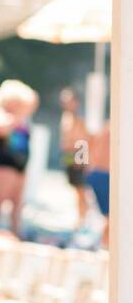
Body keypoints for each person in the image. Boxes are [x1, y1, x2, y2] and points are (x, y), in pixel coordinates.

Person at [0, 79, 38, 237]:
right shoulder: (0, 113)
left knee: (17, 204)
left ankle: (16, 233)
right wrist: (16, 116)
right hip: (5, 163)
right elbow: (0, 130)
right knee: (0, 200)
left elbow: (34, 101)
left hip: (20, 165)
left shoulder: (23, 116)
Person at [59, 88, 89, 225]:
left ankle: (83, 218)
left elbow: (84, 140)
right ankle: (80, 217)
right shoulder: (66, 116)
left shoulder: (80, 118)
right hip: (69, 156)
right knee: (75, 189)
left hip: (78, 156)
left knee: (81, 189)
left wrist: (81, 159)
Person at [85, 124, 110, 247]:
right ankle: (102, 244)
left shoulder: (105, 128)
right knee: (112, 217)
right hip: (104, 175)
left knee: (109, 217)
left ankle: (102, 244)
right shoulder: (113, 129)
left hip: (96, 173)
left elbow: (89, 145)